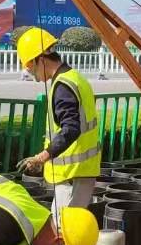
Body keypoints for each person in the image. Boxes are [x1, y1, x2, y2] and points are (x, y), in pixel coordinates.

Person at [14, 28, 101, 217]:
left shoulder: (62, 86)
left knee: (64, 233)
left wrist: (42, 157)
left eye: (31, 67)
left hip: (72, 175)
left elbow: (71, 129)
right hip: (81, 172)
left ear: (42, 59)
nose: (33, 74)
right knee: (72, 230)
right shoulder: (74, 77)